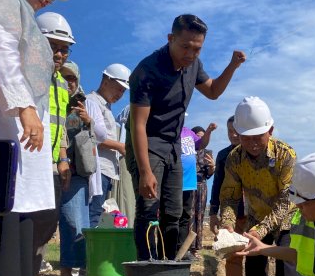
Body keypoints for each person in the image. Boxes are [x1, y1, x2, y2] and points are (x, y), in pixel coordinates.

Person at [126, 14, 246, 260]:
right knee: (149, 210)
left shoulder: (193, 65)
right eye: (185, 47)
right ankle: (148, 274)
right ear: (171, 38)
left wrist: (232, 66)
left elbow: (212, 91)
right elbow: (137, 124)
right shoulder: (147, 71)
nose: (190, 54)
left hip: (174, 146)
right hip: (148, 144)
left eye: (197, 49)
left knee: (175, 211)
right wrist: (145, 170)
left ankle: (169, 269)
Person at [0, 0, 72, 276]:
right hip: (6, 122)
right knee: (3, 212)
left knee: (18, 216)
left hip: (18, 132)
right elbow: (1, 51)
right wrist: (24, 107)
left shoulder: (18, 5)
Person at [219, 96, 296, 276]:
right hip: (254, 218)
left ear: (270, 131)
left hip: (285, 220)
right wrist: (228, 224)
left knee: (286, 268)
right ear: (236, 133)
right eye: (246, 137)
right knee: (254, 269)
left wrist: (260, 231)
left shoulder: (286, 155)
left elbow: (287, 200)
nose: (252, 143)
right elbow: (229, 195)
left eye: (258, 136)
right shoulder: (234, 159)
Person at [31, 11, 77, 276]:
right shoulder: (28, 75)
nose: (59, 54)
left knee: (47, 222)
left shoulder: (61, 84)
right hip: (27, 159)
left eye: (64, 49)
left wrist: (63, 159)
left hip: (50, 162)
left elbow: (60, 126)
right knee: (26, 222)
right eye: (53, 47)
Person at [58, 60, 107, 276]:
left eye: (72, 78)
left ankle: (74, 270)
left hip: (79, 171)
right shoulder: (53, 99)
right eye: (64, 77)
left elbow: (100, 135)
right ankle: (66, 272)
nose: (68, 82)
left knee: (77, 221)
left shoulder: (83, 102)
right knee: (65, 220)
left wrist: (89, 120)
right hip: (60, 165)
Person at [208, 115, 246, 276]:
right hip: (232, 214)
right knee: (233, 257)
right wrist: (214, 212)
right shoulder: (223, 155)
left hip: (255, 214)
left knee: (260, 256)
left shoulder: (255, 154)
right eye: (229, 131)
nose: (233, 135)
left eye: (237, 131)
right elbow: (217, 185)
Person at [87, 63, 131, 228]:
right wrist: (120, 146)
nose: (120, 94)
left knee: (100, 215)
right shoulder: (92, 102)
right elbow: (93, 136)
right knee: (94, 214)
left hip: (107, 170)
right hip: (97, 169)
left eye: (123, 91)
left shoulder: (106, 107)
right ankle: (87, 252)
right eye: (118, 88)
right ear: (106, 81)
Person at [177, 123, 215, 259]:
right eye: (198, 136)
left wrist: (212, 166)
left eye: (202, 137)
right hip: (189, 183)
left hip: (201, 185)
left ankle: (196, 248)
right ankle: (186, 246)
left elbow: (209, 173)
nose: (200, 139)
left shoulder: (207, 153)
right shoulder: (188, 152)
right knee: (188, 215)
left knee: (199, 216)